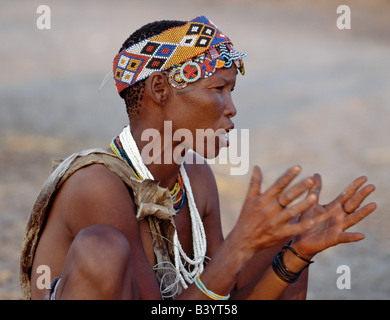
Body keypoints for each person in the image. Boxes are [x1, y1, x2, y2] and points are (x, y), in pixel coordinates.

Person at [20, 16, 376, 300]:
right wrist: (237, 248)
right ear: (160, 89)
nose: (232, 108)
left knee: (284, 235)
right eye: (218, 89)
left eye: (231, 90)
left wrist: (297, 253)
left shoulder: (196, 178)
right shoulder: (97, 185)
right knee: (103, 249)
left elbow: (222, 300)